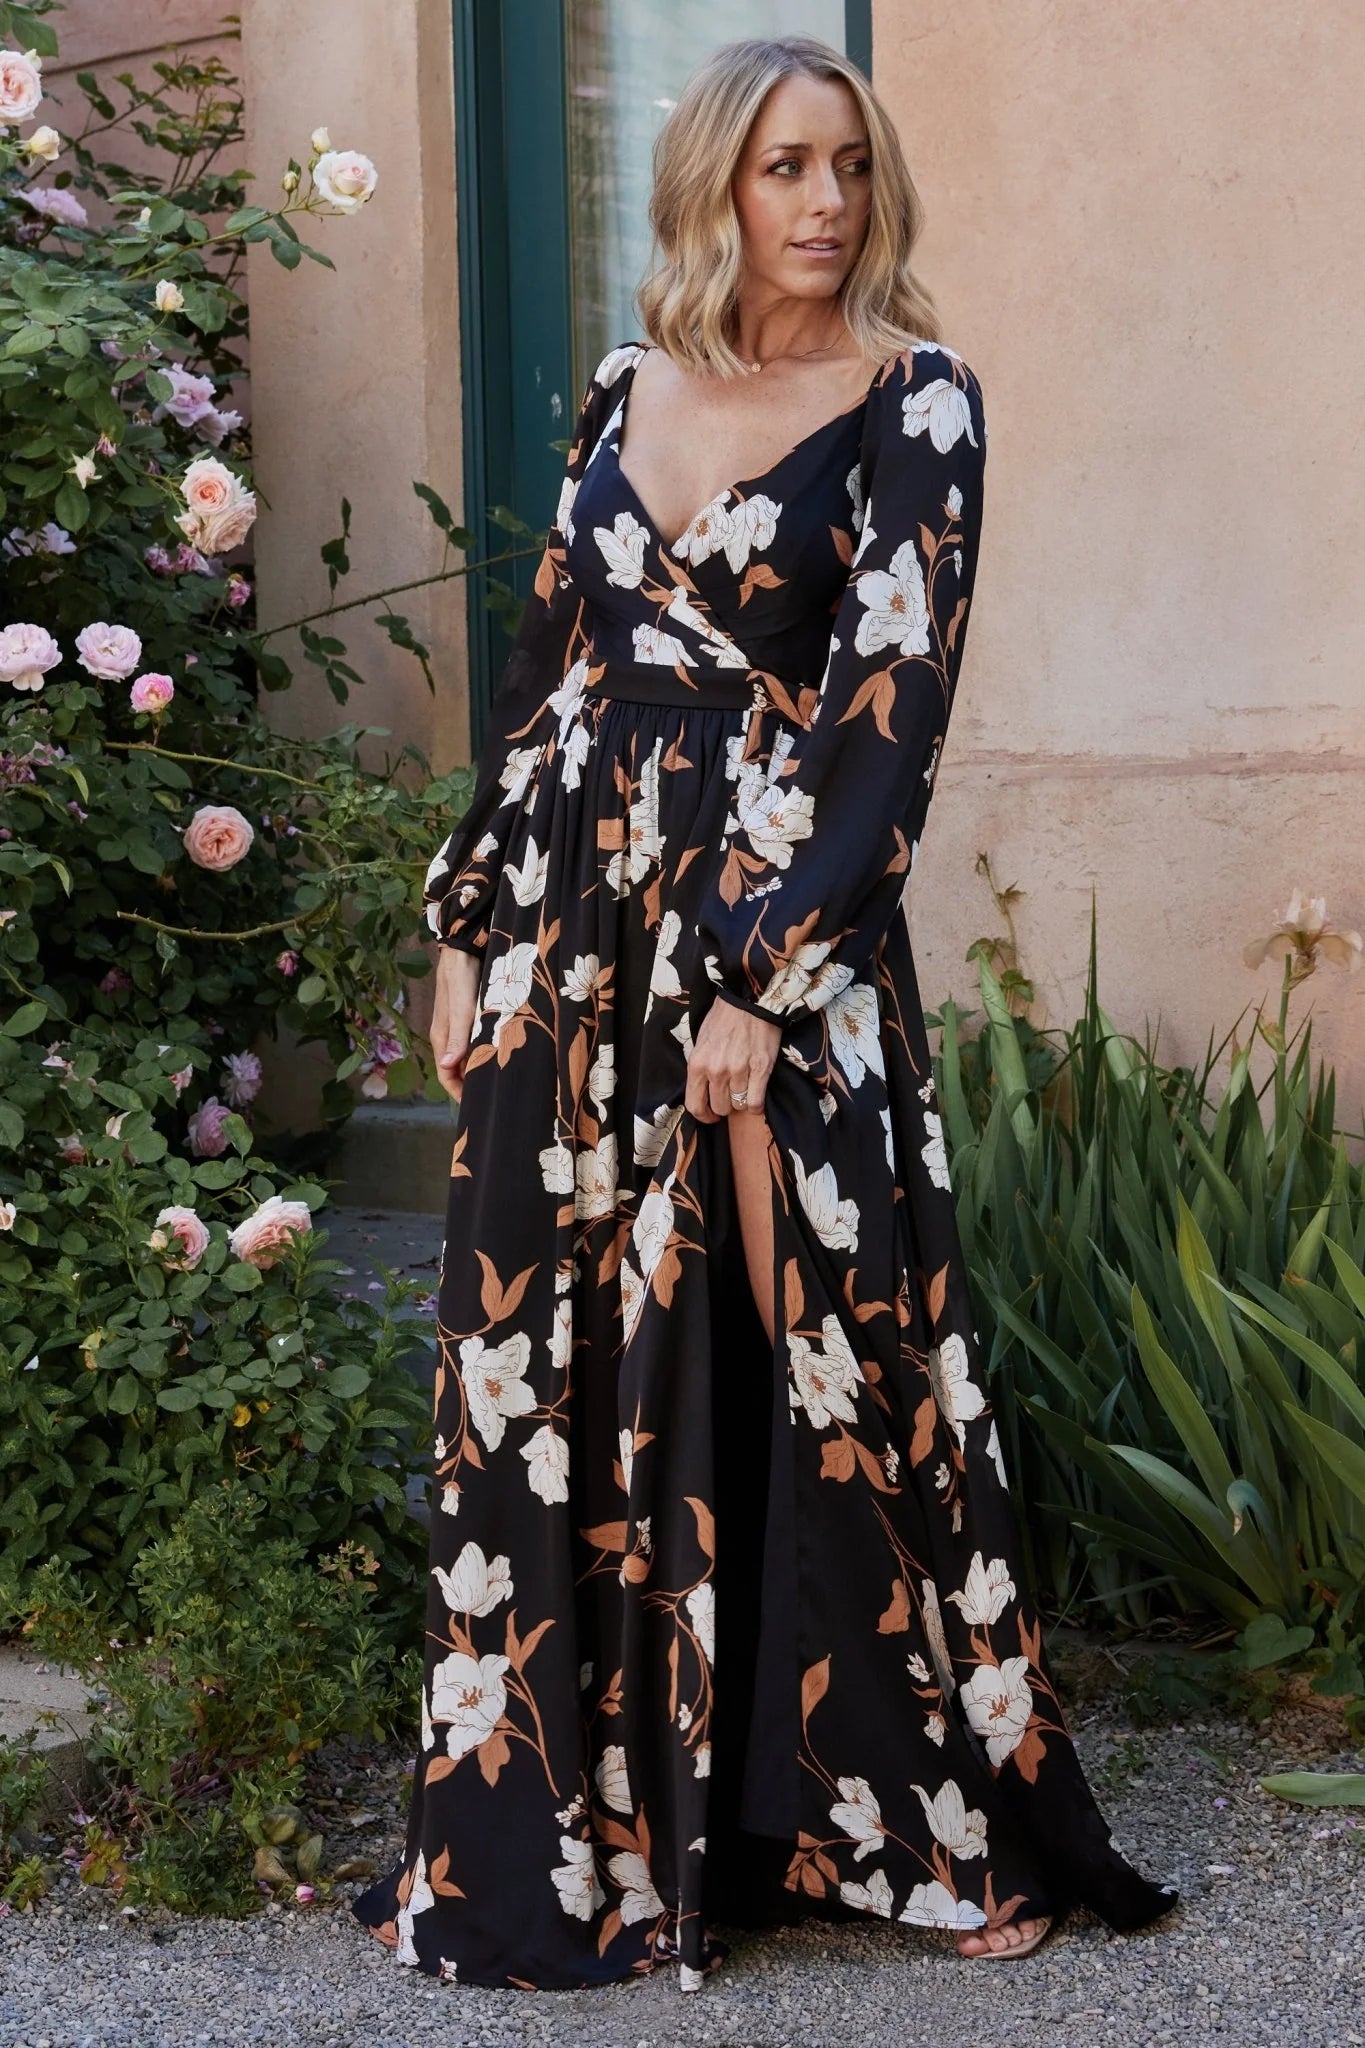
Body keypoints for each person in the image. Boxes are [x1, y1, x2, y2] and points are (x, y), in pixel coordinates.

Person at [352, 30, 1177, 1993]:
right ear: (711, 184)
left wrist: (760, 970)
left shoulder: (914, 400)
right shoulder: (621, 386)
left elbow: (892, 715)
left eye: (847, 166)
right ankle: (597, 1835)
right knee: (551, 1369)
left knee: (829, 1348)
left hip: (768, 930)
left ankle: (926, 1833)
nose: (821, 202)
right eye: (783, 166)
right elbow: (550, 675)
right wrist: (463, 918)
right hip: (565, 936)